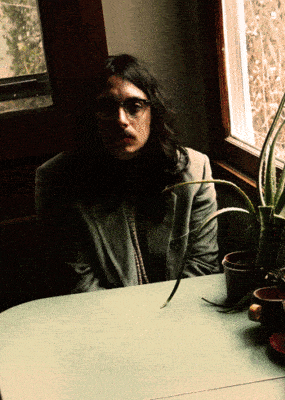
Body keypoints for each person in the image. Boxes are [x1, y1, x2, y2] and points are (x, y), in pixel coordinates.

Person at [35, 54, 219, 293]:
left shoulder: (195, 171)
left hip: (181, 307)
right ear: (91, 117)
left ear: (153, 112)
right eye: (106, 108)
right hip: (101, 313)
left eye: (135, 106)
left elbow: (203, 266)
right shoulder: (57, 179)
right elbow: (77, 283)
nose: (121, 120)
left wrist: (165, 312)